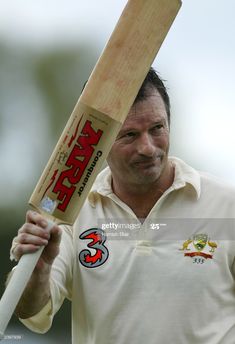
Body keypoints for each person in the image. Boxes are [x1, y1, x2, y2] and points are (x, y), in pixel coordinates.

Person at [8, 67, 235, 343]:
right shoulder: (69, 216)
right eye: (129, 135)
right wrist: (39, 272)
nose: (148, 148)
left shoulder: (226, 205)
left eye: (157, 129)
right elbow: (30, 310)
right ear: (101, 143)